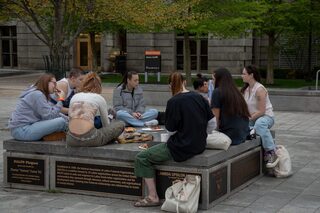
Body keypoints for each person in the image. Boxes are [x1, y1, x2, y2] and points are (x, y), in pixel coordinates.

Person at [133, 72, 215, 207]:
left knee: (142, 158)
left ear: (170, 85)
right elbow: (212, 123)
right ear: (184, 82)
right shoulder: (199, 97)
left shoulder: (173, 102)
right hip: (200, 145)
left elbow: (171, 130)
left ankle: (153, 196)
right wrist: (199, 135)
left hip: (181, 147)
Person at [66, 72, 125, 147]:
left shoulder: (75, 97)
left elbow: (70, 118)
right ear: (98, 86)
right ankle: (111, 117)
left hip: (71, 139)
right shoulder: (98, 98)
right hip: (90, 139)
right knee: (121, 124)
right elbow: (106, 124)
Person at [8, 73, 68, 141]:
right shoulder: (38, 94)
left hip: (22, 129)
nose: (56, 86)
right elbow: (49, 116)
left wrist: (69, 119)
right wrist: (61, 100)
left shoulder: (38, 93)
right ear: (46, 82)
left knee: (63, 120)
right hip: (22, 131)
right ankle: (76, 135)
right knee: (61, 122)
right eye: (54, 83)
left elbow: (50, 111)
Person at [241, 65, 279, 168]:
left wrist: (249, 118)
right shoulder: (246, 90)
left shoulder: (259, 89)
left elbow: (262, 111)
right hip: (253, 118)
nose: (242, 76)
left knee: (260, 124)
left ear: (251, 75)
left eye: (244, 74)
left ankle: (272, 152)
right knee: (240, 126)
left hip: (266, 117)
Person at [211, 68, 250, 145]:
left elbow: (215, 119)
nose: (212, 81)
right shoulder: (236, 92)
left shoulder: (217, 92)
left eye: (213, 79)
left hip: (230, 136)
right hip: (242, 134)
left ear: (218, 79)